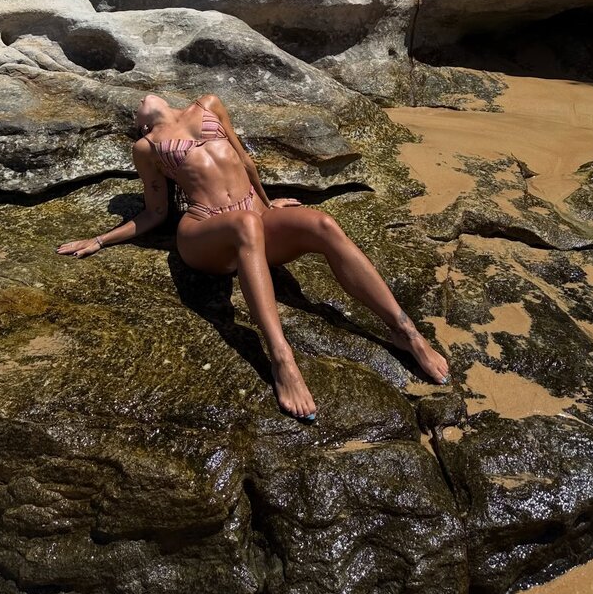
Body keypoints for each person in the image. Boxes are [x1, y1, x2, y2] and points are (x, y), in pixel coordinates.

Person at [57, 93, 450, 421]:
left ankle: (405, 331)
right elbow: (155, 212)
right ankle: (281, 358)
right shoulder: (146, 148)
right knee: (246, 224)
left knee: (323, 224)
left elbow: (246, 161)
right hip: (203, 233)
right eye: (135, 112)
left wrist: (268, 204)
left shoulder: (209, 103)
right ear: (142, 125)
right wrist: (100, 240)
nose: (141, 100)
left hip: (253, 219)